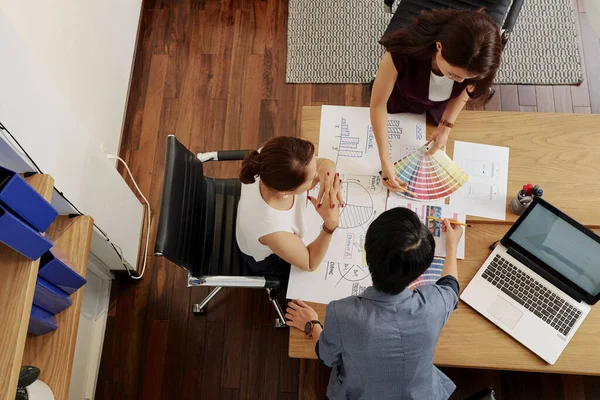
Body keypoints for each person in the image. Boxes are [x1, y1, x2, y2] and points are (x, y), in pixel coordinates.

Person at [286, 207, 464, 399]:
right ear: (420, 273)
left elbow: (328, 357)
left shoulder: (342, 313)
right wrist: (451, 246)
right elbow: (451, 286)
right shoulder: (433, 306)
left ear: (367, 253)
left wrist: (312, 325)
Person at [370, 9, 503, 191]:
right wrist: (385, 159)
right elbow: (378, 105)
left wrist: (446, 127)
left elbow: (465, 92)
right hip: (399, 99)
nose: (461, 82)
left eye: (469, 77)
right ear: (439, 47)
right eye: (453, 74)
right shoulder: (402, 49)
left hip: (439, 108)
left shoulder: (479, 64)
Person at [236, 136, 344, 292]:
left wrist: (328, 170)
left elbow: (321, 164)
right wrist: (330, 225)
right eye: (311, 179)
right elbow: (310, 263)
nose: (316, 177)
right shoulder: (273, 229)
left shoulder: (268, 159)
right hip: (267, 259)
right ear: (285, 191)